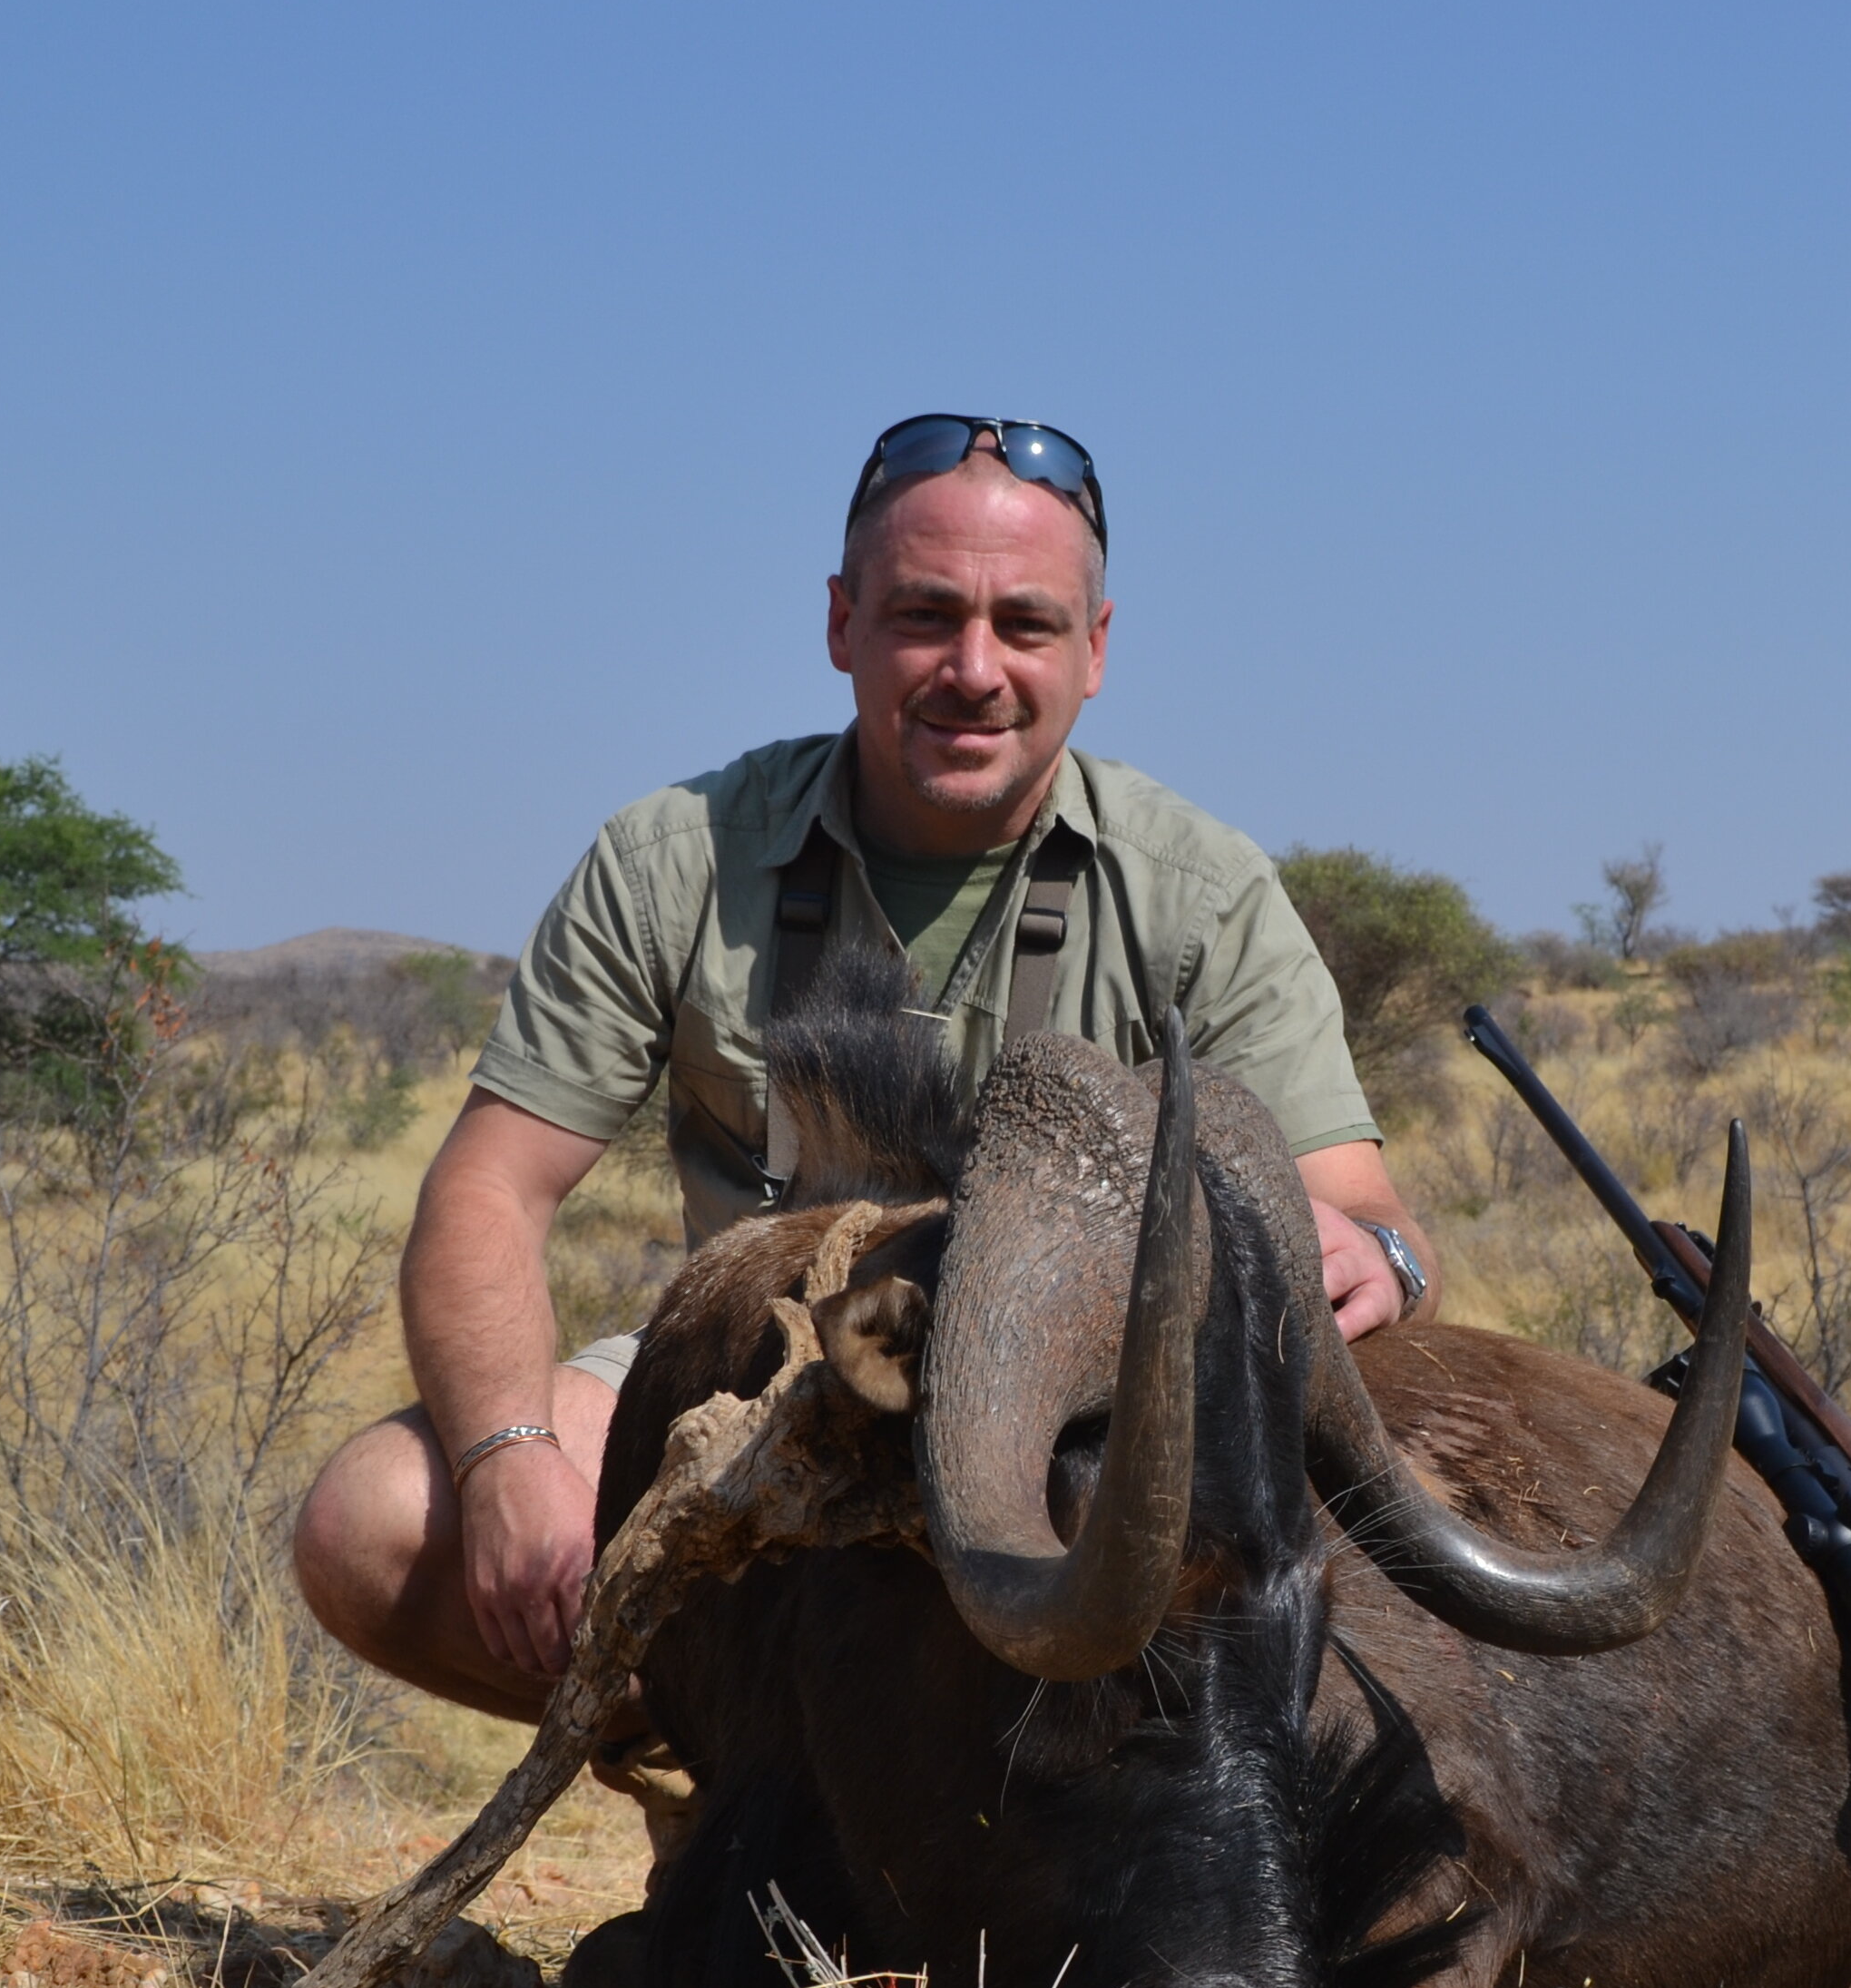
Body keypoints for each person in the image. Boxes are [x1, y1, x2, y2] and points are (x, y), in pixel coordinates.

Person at [293, 414, 1439, 1720]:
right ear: (841, 624)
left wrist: (1376, 1260)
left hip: (1078, 1430)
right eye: (923, 614)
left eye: (1025, 624)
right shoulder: (673, 857)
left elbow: (1370, 1216)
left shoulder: (1204, 893)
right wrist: (509, 1471)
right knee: (373, 1522)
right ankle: (720, 1770)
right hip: (748, 1400)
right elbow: (488, 1193)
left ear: (1096, 651)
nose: (973, 668)